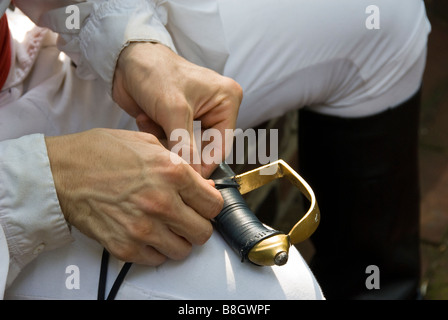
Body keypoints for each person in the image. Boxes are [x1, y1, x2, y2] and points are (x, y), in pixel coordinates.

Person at [0, 0, 430, 300]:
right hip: (15, 188)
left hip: (31, 55)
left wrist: (128, 42)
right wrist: (50, 180)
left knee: (380, 16)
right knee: (280, 293)